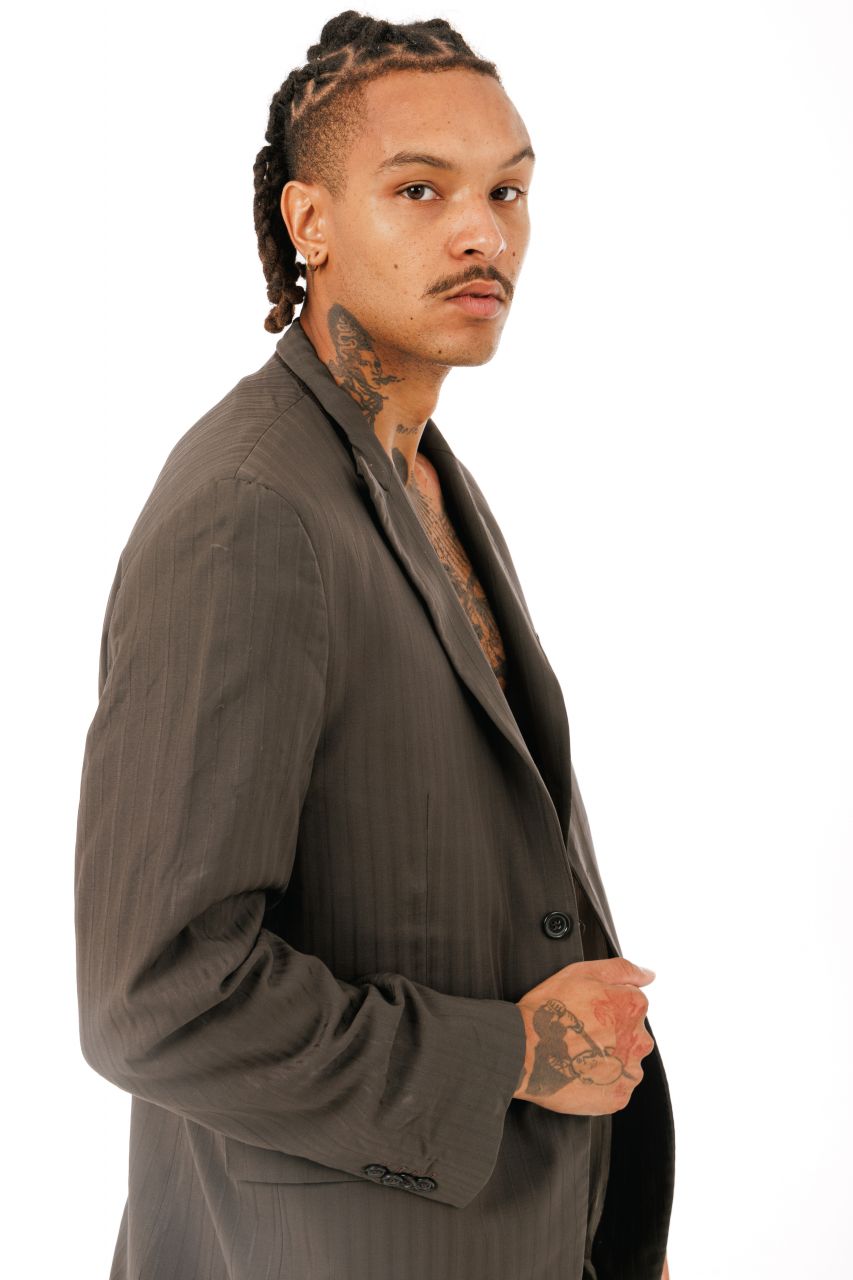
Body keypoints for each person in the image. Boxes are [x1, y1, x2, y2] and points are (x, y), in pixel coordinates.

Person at [74, 10, 674, 1280]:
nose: (483, 233)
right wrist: (517, 1054)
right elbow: (158, 998)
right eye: (420, 189)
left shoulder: (421, 473)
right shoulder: (250, 509)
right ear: (310, 221)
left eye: (507, 190)